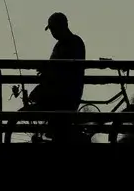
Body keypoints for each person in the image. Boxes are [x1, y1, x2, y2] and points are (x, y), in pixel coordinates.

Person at [23, 12, 87, 142]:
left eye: (53, 29)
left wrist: (47, 72)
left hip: (64, 93)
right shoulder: (69, 43)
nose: (52, 33)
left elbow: (62, 70)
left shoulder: (71, 43)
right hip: (62, 90)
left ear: (62, 26)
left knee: (56, 121)